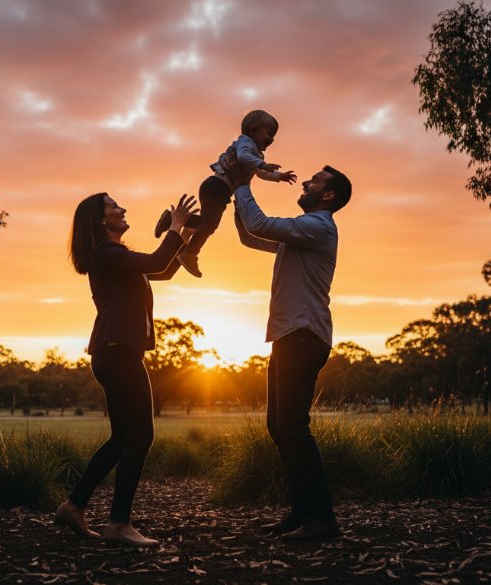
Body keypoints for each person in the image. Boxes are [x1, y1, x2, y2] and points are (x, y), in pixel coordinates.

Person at [54, 191, 197, 547]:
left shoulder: (115, 257)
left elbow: (164, 268)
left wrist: (184, 232)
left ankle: (74, 506)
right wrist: (176, 227)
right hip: (117, 355)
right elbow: (157, 260)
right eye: (114, 206)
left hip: (116, 354)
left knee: (122, 438)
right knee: (140, 437)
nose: (123, 209)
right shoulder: (107, 254)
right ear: (101, 219)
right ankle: (118, 524)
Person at [226, 150, 352, 540]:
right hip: (287, 336)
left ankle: (323, 519)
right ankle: (302, 512)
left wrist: (242, 184)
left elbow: (259, 222)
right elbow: (250, 235)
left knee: (293, 428)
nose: (307, 182)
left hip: (303, 335)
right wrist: (235, 194)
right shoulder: (300, 233)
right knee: (279, 427)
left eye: (316, 180)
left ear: (327, 195)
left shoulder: (318, 227)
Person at [154, 109, 297, 278]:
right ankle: (189, 254)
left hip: (219, 190)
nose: (272, 139)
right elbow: (243, 157)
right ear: (252, 130)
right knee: (210, 224)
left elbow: (260, 173)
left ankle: (172, 222)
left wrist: (279, 176)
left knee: (207, 223)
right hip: (216, 187)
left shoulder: (256, 153)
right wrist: (262, 164)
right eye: (269, 133)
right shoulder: (245, 143)